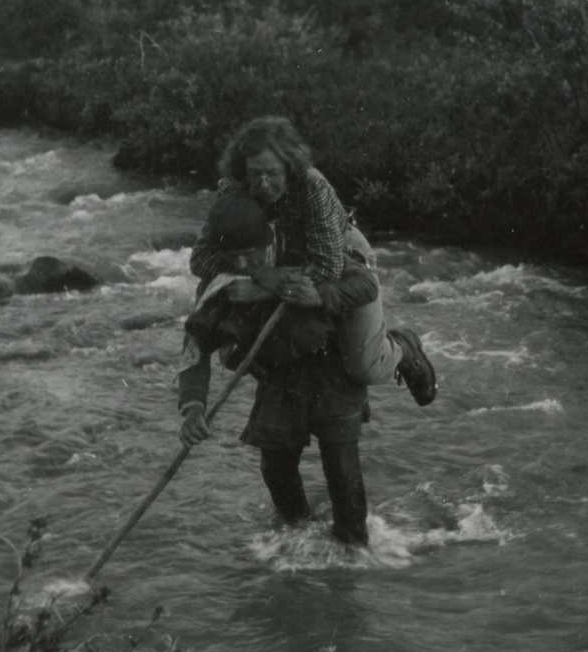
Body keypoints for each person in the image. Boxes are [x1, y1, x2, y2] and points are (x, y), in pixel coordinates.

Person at [189, 116, 437, 406]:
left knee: (364, 366)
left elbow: (327, 268)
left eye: (272, 173)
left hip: (342, 252)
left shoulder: (311, 185)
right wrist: (259, 271)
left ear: (289, 166)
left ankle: (405, 348)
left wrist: (264, 287)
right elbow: (200, 261)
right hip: (270, 255)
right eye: (255, 174)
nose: (264, 184)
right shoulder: (232, 188)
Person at [179, 194, 376, 545]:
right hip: (277, 375)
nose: (243, 263)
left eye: (250, 253)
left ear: (269, 235)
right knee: (277, 470)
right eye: (233, 257)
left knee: (342, 473)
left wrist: (317, 295)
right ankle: (299, 542)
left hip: (329, 367)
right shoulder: (219, 280)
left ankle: (353, 557)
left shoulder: (307, 251)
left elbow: (365, 285)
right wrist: (193, 406)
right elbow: (196, 345)